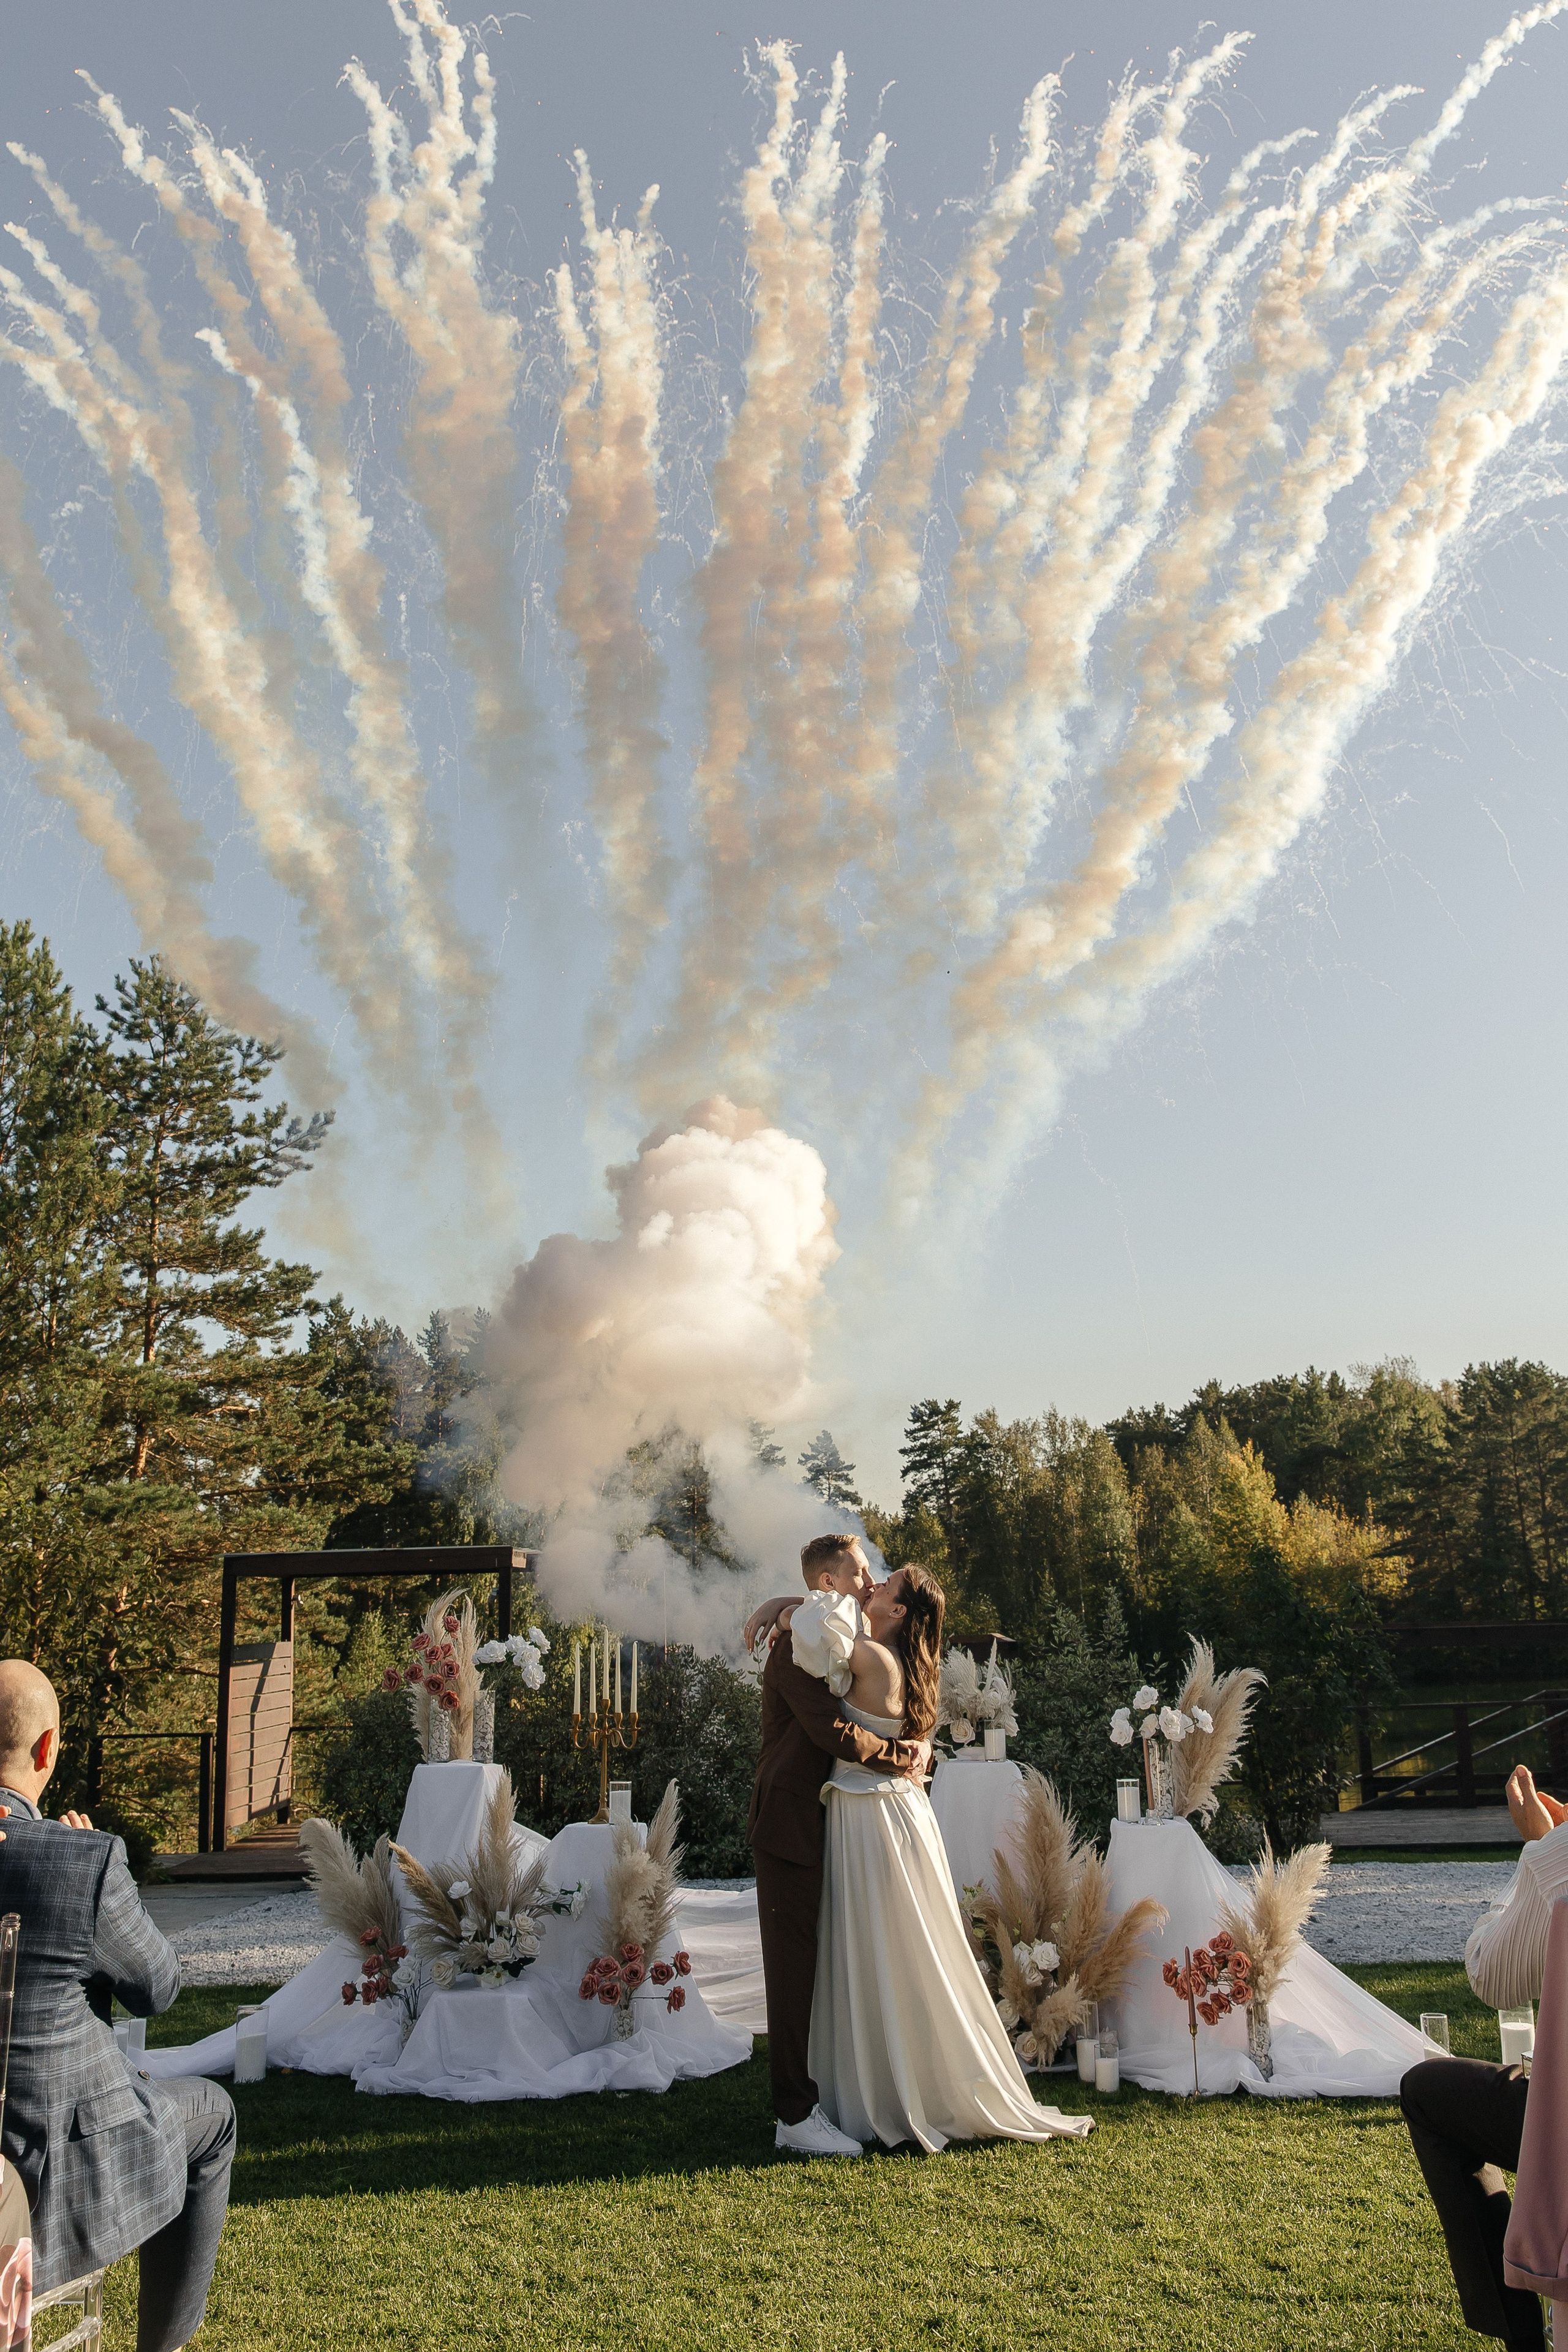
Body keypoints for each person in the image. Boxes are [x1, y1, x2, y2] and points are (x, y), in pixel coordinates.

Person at [790, 1561, 1092, 2152]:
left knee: (881, 1948)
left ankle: (889, 2088)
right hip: (891, 1809)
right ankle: (902, 2073)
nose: (872, 1583)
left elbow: (808, 1635)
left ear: (899, 1611)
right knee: (901, 1950)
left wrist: (776, 1606)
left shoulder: (873, 1658)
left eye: (887, 1582)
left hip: (871, 1813)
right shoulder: (894, 1656)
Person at [0, 1660, 234, 2352]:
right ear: (47, 1750)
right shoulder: (82, 1862)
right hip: (49, 2187)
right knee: (213, 2117)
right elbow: (158, 1988)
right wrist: (106, 1873)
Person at [744, 1539, 930, 2157]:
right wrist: (901, 1756)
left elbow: (832, 1620)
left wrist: (788, 1601)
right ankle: (794, 2117)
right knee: (793, 1974)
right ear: (833, 1580)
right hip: (790, 1823)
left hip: (826, 1820)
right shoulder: (798, 1647)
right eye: (860, 1572)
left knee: (829, 1967)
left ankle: (835, 2092)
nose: (869, 1578)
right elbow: (829, 1730)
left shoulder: (819, 1630)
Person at [1400, 1760, 1568, 2352]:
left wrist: (1538, 1853)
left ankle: (1523, 2338)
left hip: (1565, 2129)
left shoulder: (1562, 1858)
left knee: (1428, 2091)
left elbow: (1490, 1975)